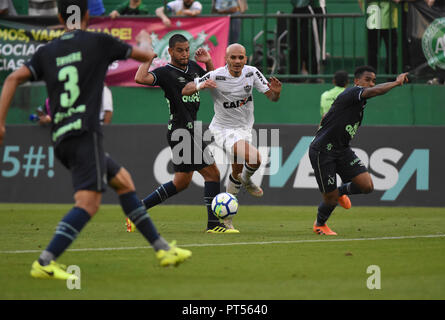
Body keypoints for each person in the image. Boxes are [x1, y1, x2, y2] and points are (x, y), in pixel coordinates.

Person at [0, 0, 192, 280]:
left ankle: (162, 249)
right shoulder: (98, 42)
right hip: (84, 134)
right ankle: (45, 261)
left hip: (62, 136)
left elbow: (12, 79)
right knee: (88, 204)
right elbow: (145, 55)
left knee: (124, 182)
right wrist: (143, 39)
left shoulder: (47, 51)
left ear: (58, 16)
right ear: (88, 15)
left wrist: (1, 123)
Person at [134, 33, 237, 234]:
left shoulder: (192, 67)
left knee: (181, 182)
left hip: (188, 129)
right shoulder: (165, 72)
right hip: (182, 130)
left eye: (187, 49)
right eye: (179, 50)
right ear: (170, 51)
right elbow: (140, 78)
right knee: (213, 174)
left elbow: (212, 80)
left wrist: (207, 63)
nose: (184, 54)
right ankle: (214, 225)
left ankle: (137, 210)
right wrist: (147, 60)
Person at [182, 43, 282, 230]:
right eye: (233, 57)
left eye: (241, 57)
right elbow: (185, 89)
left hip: (244, 128)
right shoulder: (216, 75)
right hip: (223, 129)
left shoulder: (251, 73)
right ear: (226, 59)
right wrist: (202, 85)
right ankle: (248, 180)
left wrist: (276, 93)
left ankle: (227, 221)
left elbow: (272, 97)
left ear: (246, 58)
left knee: (236, 172)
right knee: (255, 159)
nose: (237, 61)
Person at [308, 65, 408, 235]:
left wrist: (327, 122)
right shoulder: (352, 92)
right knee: (330, 199)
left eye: (373, 81)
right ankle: (320, 224)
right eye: (367, 80)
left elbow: (327, 116)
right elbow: (375, 92)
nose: (371, 84)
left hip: (342, 150)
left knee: (366, 186)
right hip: (323, 151)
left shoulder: (357, 103)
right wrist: (396, 82)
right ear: (356, 81)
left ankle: (340, 192)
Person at [358, 0, 399, 75]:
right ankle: (370, 76)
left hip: (390, 22)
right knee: (372, 51)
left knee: (391, 51)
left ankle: (391, 76)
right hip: (372, 21)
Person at [289, 0, 327, 80]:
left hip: (314, 9)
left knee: (314, 44)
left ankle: (315, 75)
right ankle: (294, 76)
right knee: (296, 45)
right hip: (299, 9)